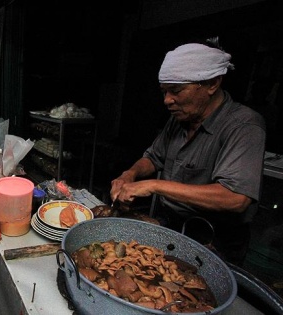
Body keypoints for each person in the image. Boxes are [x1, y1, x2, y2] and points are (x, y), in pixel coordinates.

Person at [110, 38, 266, 266]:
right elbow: (153, 157)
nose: (167, 100)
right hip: (171, 224)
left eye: (176, 91)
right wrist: (129, 175)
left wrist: (154, 185)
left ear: (212, 83)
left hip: (214, 239)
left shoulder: (244, 126)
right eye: (164, 92)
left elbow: (235, 198)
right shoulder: (180, 118)